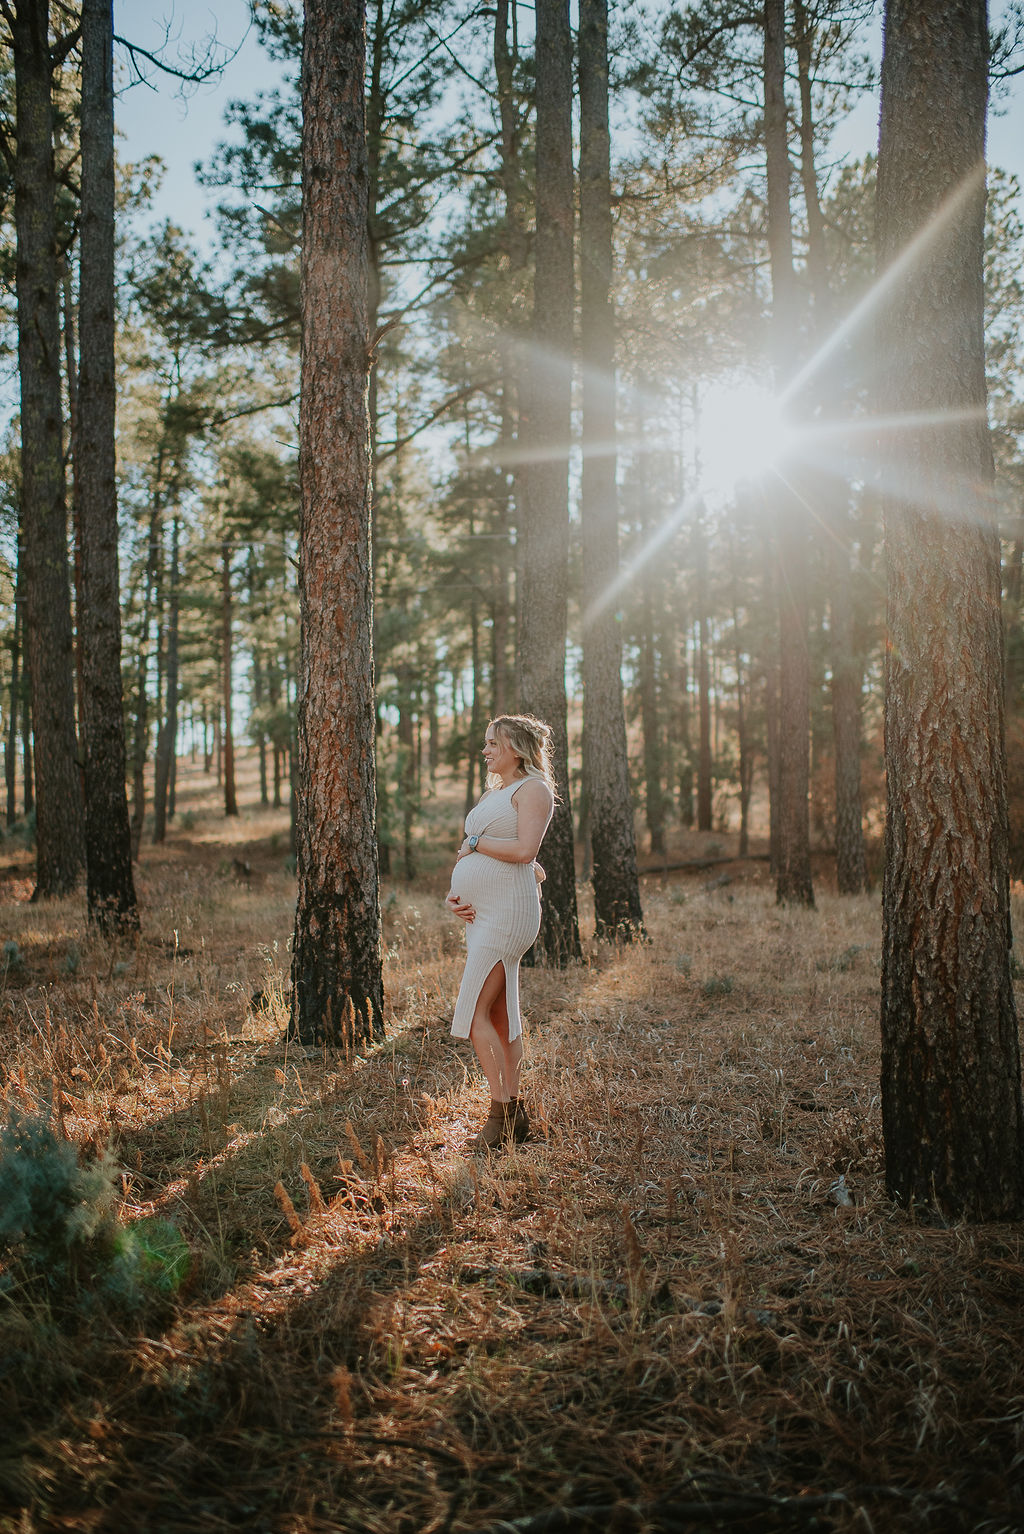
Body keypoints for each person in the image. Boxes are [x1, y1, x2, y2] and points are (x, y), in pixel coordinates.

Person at [445, 714, 555, 1151]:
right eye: (486, 743)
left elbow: (527, 852)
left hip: (507, 916)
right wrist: (456, 894)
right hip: (484, 913)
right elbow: (530, 867)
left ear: (516, 748)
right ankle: (515, 1114)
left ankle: (501, 1113)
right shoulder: (500, 790)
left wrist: (474, 846)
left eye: (494, 743)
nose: (486, 750)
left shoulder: (534, 789)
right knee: (500, 1015)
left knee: (474, 1013)